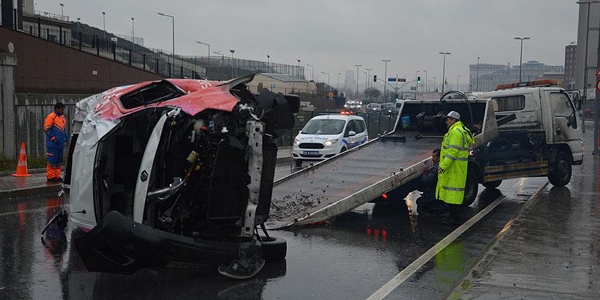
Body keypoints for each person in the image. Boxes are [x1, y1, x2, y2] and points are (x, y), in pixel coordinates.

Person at [436, 111, 474, 225]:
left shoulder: (455, 133)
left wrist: (443, 166)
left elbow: (452, 152)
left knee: (453, 193)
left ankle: (454, 217)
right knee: (453, 193)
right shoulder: (458, 131)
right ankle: (453, 216)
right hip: (457, 168)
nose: (446, 121)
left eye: (448, 119)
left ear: (453, 120)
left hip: (454, 168)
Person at [416, 149, 449, 217]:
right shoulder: (443, 166)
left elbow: (428, 181)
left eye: (434, 157)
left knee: (421, 203)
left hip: (433, 192)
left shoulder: (435, 169)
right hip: (441, 191)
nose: (432, 159)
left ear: (439, 157)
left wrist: (424, 175)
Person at [44, 102, 69, 183]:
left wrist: (66, 139)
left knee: (58, 161)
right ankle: (50, 176)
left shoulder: (62, 118)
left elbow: (63, 130)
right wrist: (53, 138)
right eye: (62, 109)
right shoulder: (51, 117)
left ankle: (57, 175)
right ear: (57, 109)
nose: (63, 111)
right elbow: (46, 129)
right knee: (52, 161)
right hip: (53, 144)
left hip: (60, 144)